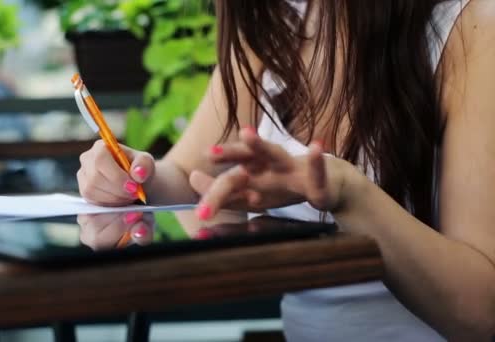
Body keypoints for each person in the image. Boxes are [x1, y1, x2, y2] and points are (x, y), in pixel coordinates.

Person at [77, 0, 495, 340]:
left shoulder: (471, 28)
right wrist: (134, 174)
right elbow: (189, 176)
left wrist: (347, 193)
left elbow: (480, 312)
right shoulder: (272, 22)